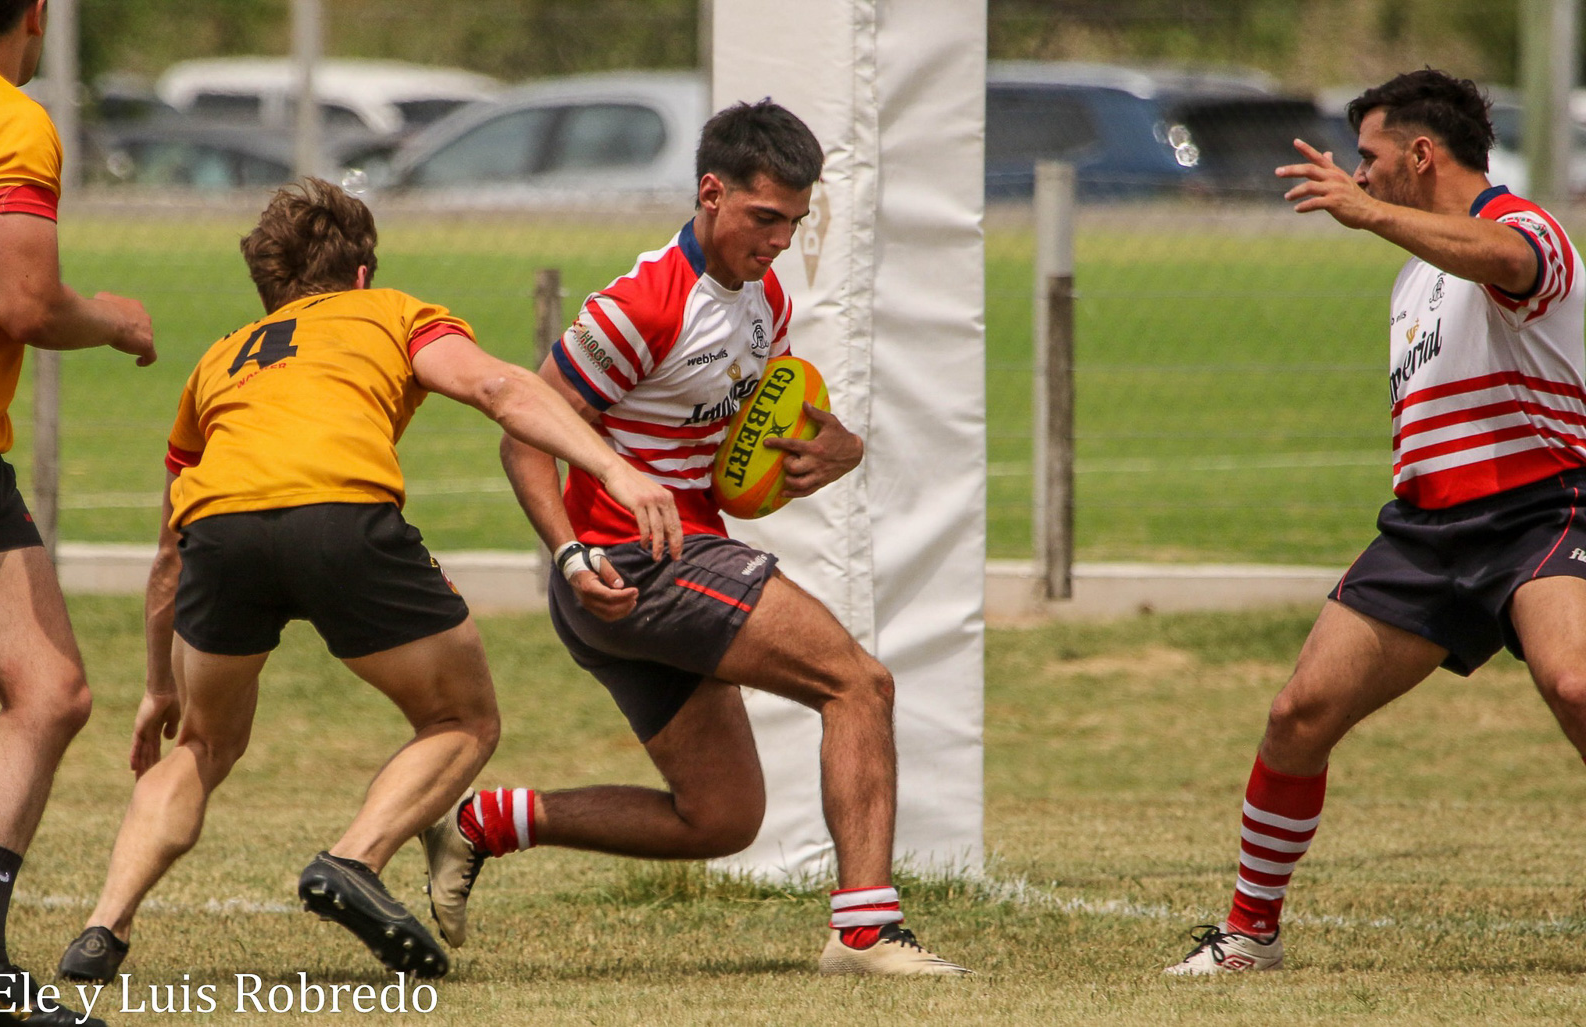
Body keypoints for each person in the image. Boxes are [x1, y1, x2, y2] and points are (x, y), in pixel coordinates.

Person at [52, 178, 681, 986]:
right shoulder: (391, 311)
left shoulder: (221, 359)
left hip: (221, 533)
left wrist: (155, 686)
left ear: (271, 288)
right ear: (360, 273)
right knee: (464, 717)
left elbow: (171, 547)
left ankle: (104, 926)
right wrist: (614, 470)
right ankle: (354, 857)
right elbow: (498, 387)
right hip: (340, 515)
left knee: (203, 744)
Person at [415, 100, 970, 976]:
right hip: (632, 563)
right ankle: (865, 931)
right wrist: (570, 555)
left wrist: (837, 446)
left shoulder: (766, 300)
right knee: (857, 683)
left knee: (719, 818)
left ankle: (486, 822)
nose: (781, 240)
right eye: (765, 218)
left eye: (794, 221)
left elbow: (739, 465)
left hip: (675, 561)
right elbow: (525, 439)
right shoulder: (640, 307)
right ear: (711, 192)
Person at [1168, 68, 1586, 974]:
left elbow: (1509, 264)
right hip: (1429, 532)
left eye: (1371, 158)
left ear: (1423, 155)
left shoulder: (1527, 228)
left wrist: (1370, 217)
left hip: (1544, 513)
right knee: (1298, 713)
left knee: (1577, 685)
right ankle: (1249, 935)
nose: (1358, 179)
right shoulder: (1411, 284)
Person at [0, 1, 156, 1023]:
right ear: (37, 13)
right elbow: (28, 303)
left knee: (48, 688)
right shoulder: (11, 122)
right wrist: (119, 322)